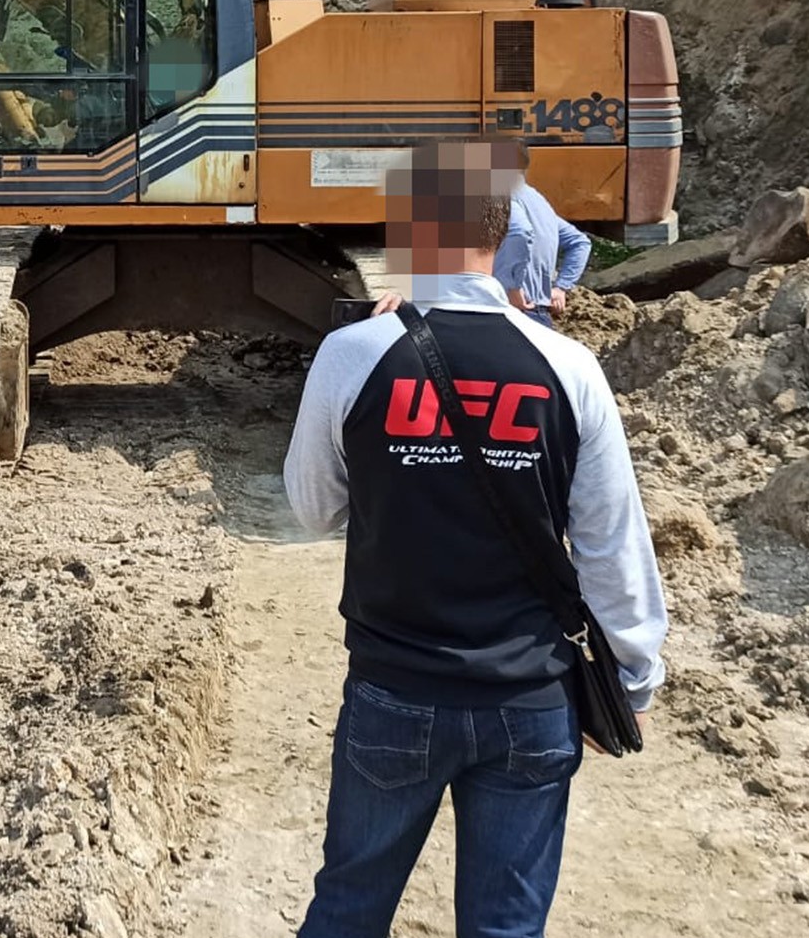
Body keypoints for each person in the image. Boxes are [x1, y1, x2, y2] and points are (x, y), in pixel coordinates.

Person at [284, 138, 668, 938]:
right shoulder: (570, 368)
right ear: (502, 230)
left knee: (348, 909)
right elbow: (611, 545)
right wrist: (630, 683)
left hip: (395, 690)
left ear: (405, 231)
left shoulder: (353, 355)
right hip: (532, 702)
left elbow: (314, 509)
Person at [494, 143, 592, 326]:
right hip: (539, 312)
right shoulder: (539, 203)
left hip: (512, 310)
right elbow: (580, 242)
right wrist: (561, 287)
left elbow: (519, 232)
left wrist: (511, 286)